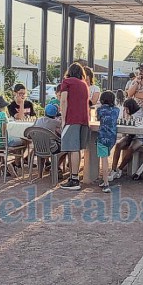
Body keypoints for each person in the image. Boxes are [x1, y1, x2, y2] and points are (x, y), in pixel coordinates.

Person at [59, 62, 90, 190]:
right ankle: (74, 177)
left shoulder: (67, 82)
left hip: (72, 119)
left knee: (72, 149)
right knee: (77, 149)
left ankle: (74, 179)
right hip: (84, 119)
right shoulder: (84, 85)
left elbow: (64, 100)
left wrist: (63, 119)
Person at [109, 98, 143, 180]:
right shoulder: (128, 113)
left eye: (126, 108)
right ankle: (113, 169)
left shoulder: (140, 112)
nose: (125, 110)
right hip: (130, 135)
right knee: (118, 145)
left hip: (140, 137)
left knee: (131, 149)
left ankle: (120, 168)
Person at [96, 91, 120, 193]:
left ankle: (106, 183)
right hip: (112, 137)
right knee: (106, 157)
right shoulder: (116, 110)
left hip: (102, 137)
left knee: (104, 160)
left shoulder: (100, 110)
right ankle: (104, 180)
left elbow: (98, 118)